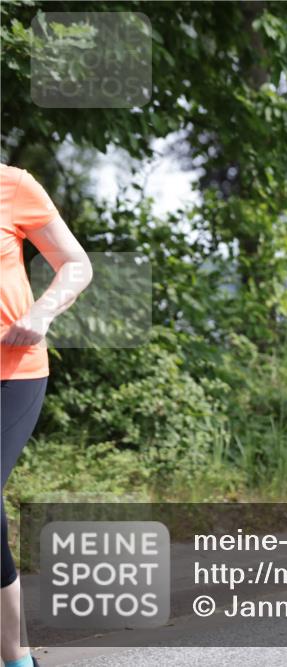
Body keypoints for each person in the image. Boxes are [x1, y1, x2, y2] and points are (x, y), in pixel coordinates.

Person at [1, 165, 92, 667]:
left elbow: (76, 263)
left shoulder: (12, 186)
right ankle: (16, 656)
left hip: (12, 372)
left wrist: (41, 313)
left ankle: (15, 658)